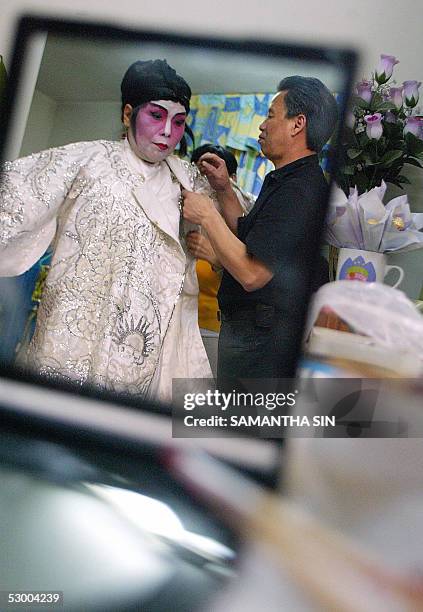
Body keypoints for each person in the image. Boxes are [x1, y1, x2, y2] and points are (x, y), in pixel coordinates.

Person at [0, 59, 213, 400]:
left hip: (136, 340)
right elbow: (17, 193)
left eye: (178, 122)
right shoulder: (87, 160)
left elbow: (242, 226)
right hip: (72, 329)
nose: (167, 132)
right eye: (156, 116)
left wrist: (224, 194)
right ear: (128, 114)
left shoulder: (186, 182)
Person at [182, 76, 338, 380]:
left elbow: (253, 273)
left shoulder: (300, 190)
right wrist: (224, 189)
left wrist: (207, 216)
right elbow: (250, 236)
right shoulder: (286, 180)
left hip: (261, 346)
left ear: (298, 124)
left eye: (270, 115)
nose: (262, 125)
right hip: (251, 336)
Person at [188, 144, 253, 377]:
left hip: (216, 328)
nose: (206, 185)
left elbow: (251, 275)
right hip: (178, 323)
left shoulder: (240, 218)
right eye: (199, 175)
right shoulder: (180, 211)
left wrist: (216, 258)